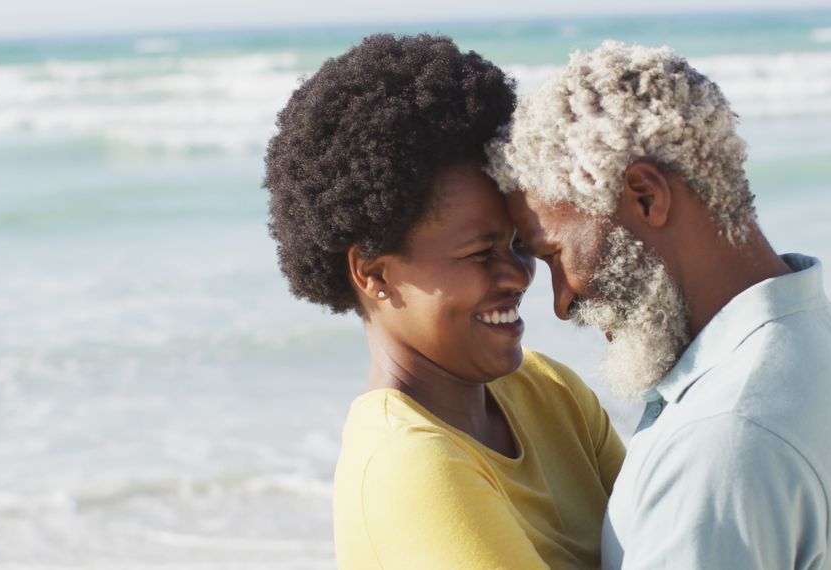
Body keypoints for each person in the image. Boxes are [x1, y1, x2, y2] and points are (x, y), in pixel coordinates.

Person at [486, 41, 831, 569]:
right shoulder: (830, 336)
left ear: (646, 196)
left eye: (555, 254)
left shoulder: (722, 436)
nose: (562, 302)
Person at [263, 34, 625, 569]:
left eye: (518, 244)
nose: (517, 275)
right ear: (373, 273)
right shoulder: (411, 464)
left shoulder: (552, 393)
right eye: (480, 253)